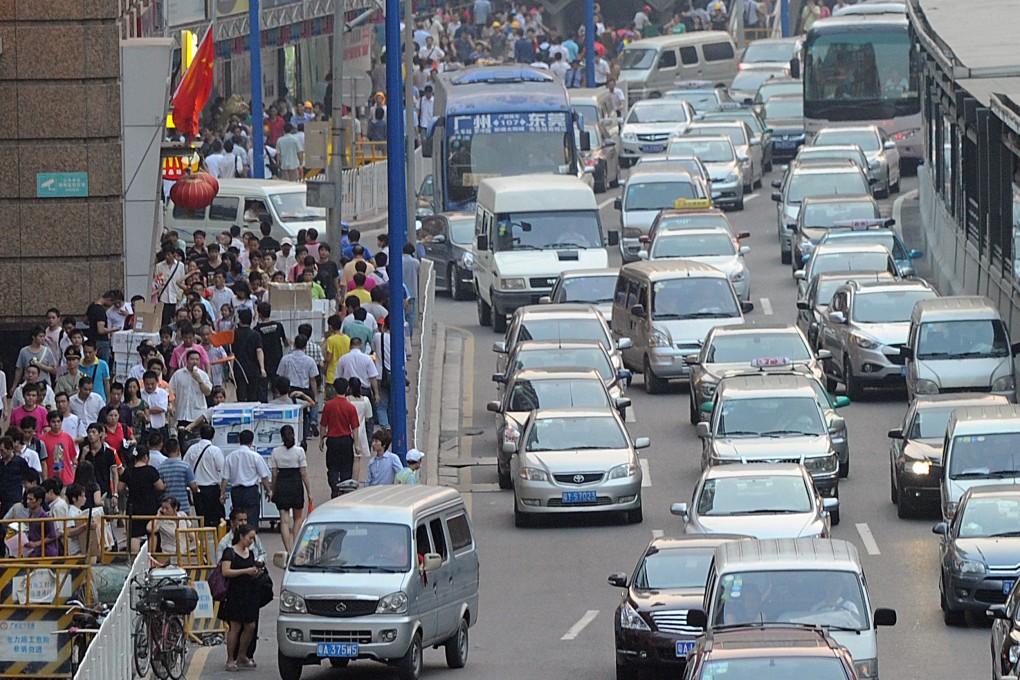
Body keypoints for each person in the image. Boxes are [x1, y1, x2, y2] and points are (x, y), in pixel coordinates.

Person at [218, 523, 263, 671]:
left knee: (250, 626)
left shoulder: (250, 553)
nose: (251, 541)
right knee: (235, 627)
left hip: (249, 593)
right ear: (241, 537)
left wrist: (255, 573)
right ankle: (231, 659)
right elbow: (226, 572)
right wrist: (246, 571)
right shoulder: (229, 552)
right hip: (235, 594)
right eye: (250, 538)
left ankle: (242, 655)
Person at [270, 425, 312, 552]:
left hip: (282, 485)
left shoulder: (276, 452)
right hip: (295, 484)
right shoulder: (299, 451)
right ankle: (296, 549)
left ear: (281, 437)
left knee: (284, 521)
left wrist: (272, 490)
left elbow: (274, 474)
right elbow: (304, 473)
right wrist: (309, 492)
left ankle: (288, 550)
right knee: (298, 518)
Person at [220, 430, 272, 529]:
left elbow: (225, 478)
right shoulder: (256, 456)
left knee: (238, 519)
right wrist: (268, 490)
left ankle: (239, 539)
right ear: (252, 442)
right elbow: (264, 476)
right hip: (251, 491)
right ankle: (251, 540)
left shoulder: (230, 457)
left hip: (236, 492)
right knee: (251, 519)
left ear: (239, 439)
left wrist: (222, 494)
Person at [320, 379, 363, 496]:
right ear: (347, 389)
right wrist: (357, 444)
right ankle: (344, 491)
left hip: (332, 440)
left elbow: (323, 424)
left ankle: (334, 487)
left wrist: (321, 440)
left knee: (332, 467)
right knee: (346, 468)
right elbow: (354, 428)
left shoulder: (328, 406)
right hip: (346, 440)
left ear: (334, 389)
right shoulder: (350, 407)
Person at [119, 447, 165, 552]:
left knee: (134, 535)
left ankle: (134, 559)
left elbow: (120, 488)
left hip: (133, 507)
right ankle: (151, 557)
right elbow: (160, 487)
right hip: (150, 506)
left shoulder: (128, 471)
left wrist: (129, 491)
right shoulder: (150, 470)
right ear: (145, 457)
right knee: (152, 532)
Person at [185, 425, 226, 530]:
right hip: (212, 490)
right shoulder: (215, 450)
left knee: (202, 519)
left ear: (200, 434)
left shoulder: (191, 449)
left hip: (197, 490)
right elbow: (222, 470)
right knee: (216, 519)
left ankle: (204, 542)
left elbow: (185, 467)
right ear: (213, 436)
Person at [168, 349, 212, 430]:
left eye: (197, 359)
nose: (194, 361)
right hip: (182, 413)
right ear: (187, 360)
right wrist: (173, 406)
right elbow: (171, 391)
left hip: (198, 414)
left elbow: (208, 392)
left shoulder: (203, 375)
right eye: (192, 359)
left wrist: (200, 381)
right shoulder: (178, 374)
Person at [345, 380, 374, 482]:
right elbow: (368, 418)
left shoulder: (346, 400)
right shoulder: (365, 400)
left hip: (347, 431)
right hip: (360, 432)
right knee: (357, 459)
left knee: (347, 459)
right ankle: (354, 481)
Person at [23, 486, 59, 558]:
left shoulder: (45, 517)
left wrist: (37, 543)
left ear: (39, 501)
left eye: (31, 499)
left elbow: (53, 535)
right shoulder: (30, 515)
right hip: (35, 553)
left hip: (46, 553)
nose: (28, 502)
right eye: (27, 499)